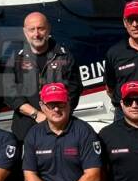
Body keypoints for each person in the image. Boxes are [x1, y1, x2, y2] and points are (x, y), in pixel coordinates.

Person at [6, 11, 82, 142]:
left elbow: (74, 91)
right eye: (32, 30)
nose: (36, 34)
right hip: (26, 132)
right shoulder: (14, 60)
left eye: (41, 28)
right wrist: (37, 115)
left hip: (60, 130)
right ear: (25, 32)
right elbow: (10, 95)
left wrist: (54, 116)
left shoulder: (65, 56)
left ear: (48, 29)